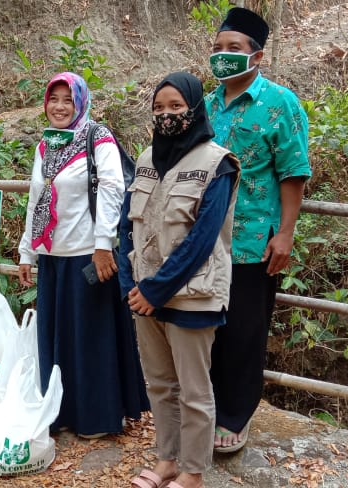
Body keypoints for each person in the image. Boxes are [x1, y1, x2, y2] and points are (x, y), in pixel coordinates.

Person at [120, 72, 240, 488]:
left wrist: (155, 289)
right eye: (159, 108)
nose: (167, 115)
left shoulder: (217, 163)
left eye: (176, 107)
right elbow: (126, 228)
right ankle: (167, 460)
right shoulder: (146, 159)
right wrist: (130, 284)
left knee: (193, 390)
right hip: (144, 293)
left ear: (194, 108)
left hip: (194, 293)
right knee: (159, 384)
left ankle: (192, 471)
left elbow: (203, 240)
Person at [17, 72, 150, 439]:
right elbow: (35, 198)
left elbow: (112, 188)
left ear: (81, 103)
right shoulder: (47, 146)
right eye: (53, 99)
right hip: (53, 256)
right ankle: (60, 414)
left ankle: (97, 416)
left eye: (67, 100)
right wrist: (27, 251)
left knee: (90, 339)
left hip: (87, 257)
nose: (59, 107)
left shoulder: (97, 137)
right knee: (58, 339)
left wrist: (103, 244)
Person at [205, 7, 312, 452]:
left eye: (234, 48)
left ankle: (234, 418)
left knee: (245, 330)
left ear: (258, 55)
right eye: (218, 48)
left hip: (253, 238)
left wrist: (285, 233)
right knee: (204, 324)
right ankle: (203, 410)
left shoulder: (279, 103)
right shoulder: (206, 103)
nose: (224, 55)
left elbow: (293, 172)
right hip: (205, 237)